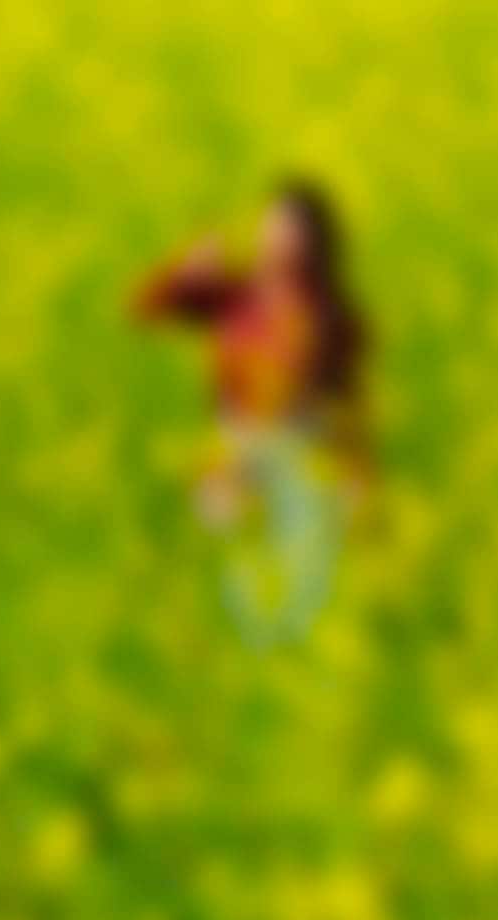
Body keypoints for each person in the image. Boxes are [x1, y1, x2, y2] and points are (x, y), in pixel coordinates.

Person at [130, 180, 369, 644]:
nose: (276, 237)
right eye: (273, 225)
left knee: (297, 596)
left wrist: (356, 476)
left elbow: (347, 403)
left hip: (301, 456)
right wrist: (188, 270)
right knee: (223, 574)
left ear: (317, 243)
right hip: (237, 452)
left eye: (291, 229)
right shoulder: (236, 295)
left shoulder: (332, 315)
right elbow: (147, 307)